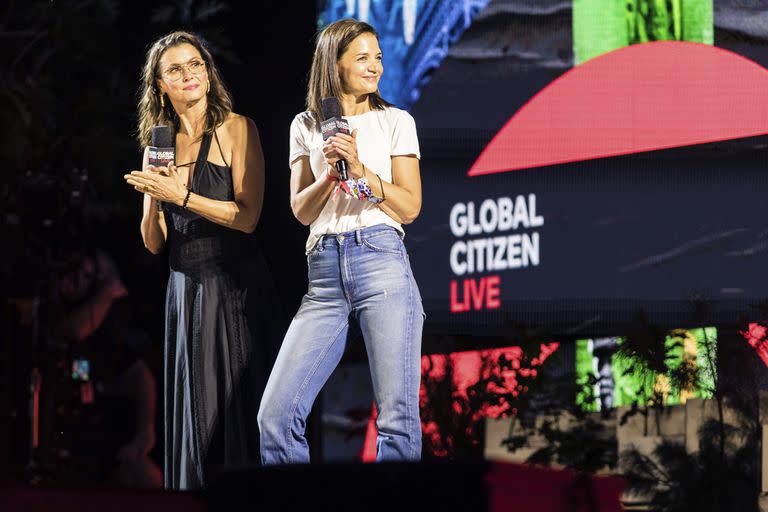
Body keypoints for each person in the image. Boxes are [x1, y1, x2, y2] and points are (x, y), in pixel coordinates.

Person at [257, 18, 425, 464]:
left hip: (381, 259)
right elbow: (301, 210)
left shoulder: (395, 122)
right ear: (334, 63)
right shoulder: (306, 126)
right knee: (275, 415)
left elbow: (409, 207)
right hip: (324, 273)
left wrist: (363, 172)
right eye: (363, 58)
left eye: (379, 58)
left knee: (397, 417)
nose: (375, 68)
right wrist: (332, 174)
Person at [123, 31, 281, 489]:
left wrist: (183, 195)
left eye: (196, 65)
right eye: (175, 69)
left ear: (209, 75)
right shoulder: (160, 142)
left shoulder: (236, 128)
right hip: (184, 287)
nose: (189, 75)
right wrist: (155, 197)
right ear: (159, 85)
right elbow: (153, 242)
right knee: (194, 415)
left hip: (233, 285)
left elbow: (248, 217)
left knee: (234, 412)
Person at [52, 246, 163, 489]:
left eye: (88, 276)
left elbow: (140, 374)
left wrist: (145, 433)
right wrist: (107, 293)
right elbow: (72, 330)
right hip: (50, 445)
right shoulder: (50, 306)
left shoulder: (101, 339)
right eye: (77, 269)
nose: (77, 277)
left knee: (148, 479)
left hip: (90, 448)